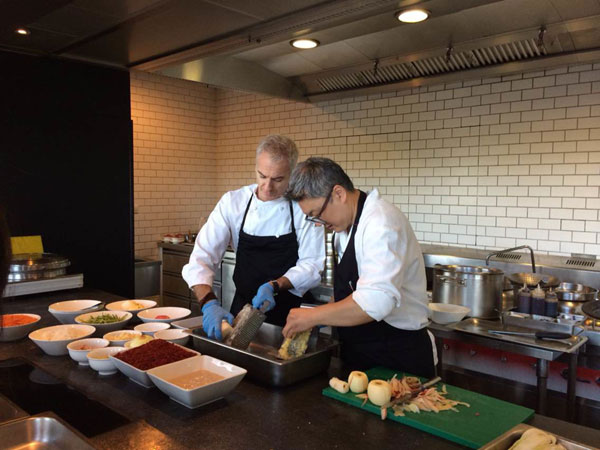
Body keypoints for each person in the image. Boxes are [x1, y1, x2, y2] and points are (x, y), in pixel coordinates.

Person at [282, 157, 435, 378]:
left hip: (397, 356)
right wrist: (322, 317)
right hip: (361, 352)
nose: (318, 224)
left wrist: (314, 315)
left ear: (339, 194)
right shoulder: (344, 227)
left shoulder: (381, 222)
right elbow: (350, 291)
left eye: (317, 214)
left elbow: (376, 301)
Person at [182, 135, 324, 340]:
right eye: (262, 176)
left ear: (292, 174)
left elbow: (312, 263)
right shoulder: (233, 202)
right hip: (244, 308)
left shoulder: (304, 206)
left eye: (277, 179)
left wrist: (274, 285)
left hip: (291, 312)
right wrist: (208, 302)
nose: (267, 187)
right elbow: (201, 257)